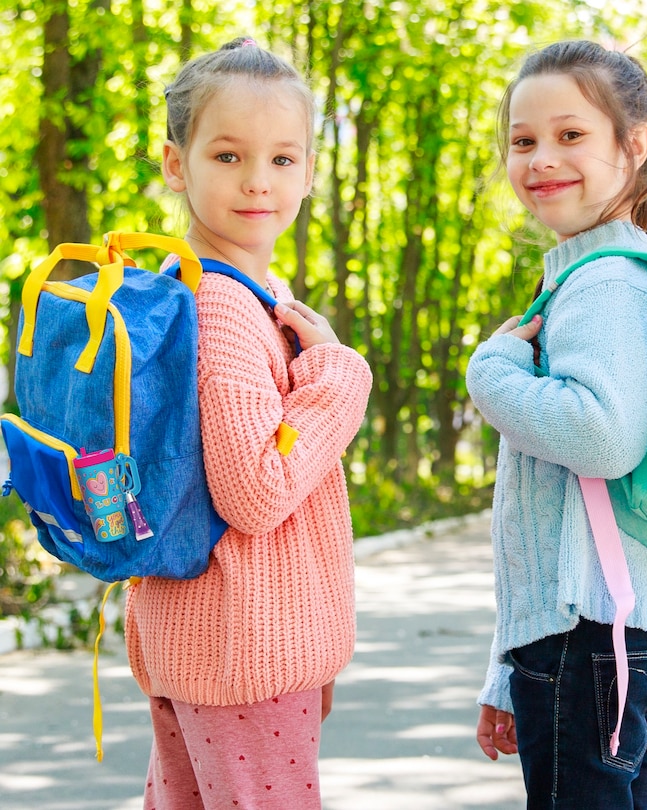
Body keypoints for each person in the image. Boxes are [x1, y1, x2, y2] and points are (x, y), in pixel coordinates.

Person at [124, 37, 372, 809]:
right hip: (245, 651)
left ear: (310, 169)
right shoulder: (223, 307)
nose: (259, 180)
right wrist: (339, 373)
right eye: (228, 155)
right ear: (177, 164)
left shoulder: (191, 286)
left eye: (282, 158)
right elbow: (257, 490)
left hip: (203, 642)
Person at [465, 40, 647, 809]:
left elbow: (603, 438)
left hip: (593, 634)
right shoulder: (617, 273)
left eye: (570, 135)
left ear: (635, 145)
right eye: (523, 140)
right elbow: (555, 510)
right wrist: (509, 666)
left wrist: (490, 372)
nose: (541, 158)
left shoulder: (604, 283)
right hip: (615, 632)